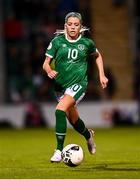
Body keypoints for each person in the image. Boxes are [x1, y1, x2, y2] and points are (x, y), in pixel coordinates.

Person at [43, 12, 108, 162]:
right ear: (65, 26)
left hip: (78, 84)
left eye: (76, 25)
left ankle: (58, 150)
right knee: (73, 120)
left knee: (59, 111)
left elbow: (97, 55)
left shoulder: (87, 43)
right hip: (60, 87)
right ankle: (88, 135)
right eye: (70, 24)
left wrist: (101, 75)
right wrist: (49, 70)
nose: (73, 27)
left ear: (80, 27)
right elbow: (46, 63)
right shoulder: (57, 42)